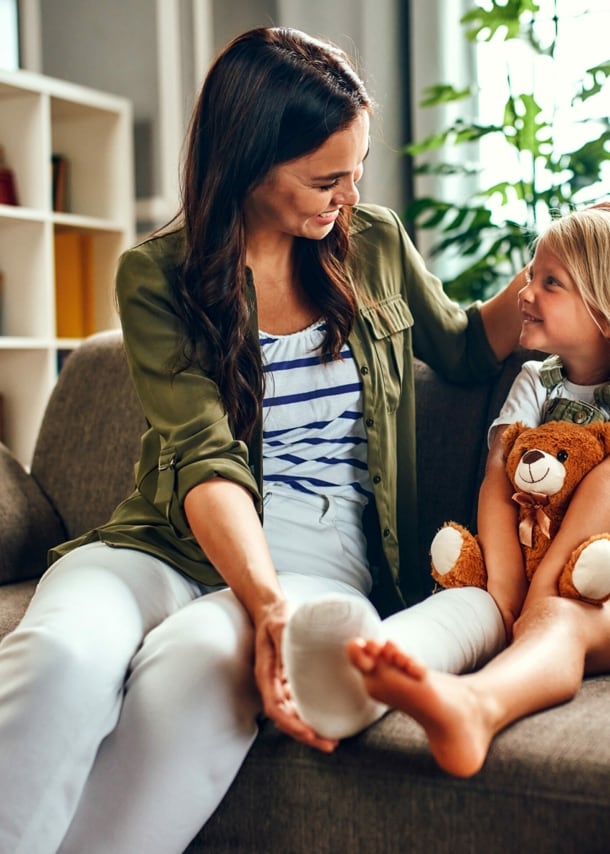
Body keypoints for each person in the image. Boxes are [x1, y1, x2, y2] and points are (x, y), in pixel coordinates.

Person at [0, 26, 524, 853]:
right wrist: (264, 602)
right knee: (60, 656)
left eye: (355, 171)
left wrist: (556, 268)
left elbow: (461, 344)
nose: (348, 195)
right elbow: (203, 451)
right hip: (168, 539)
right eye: (325, 179)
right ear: (246, 163)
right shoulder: (158, 277)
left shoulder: (376, 243)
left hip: (323, 560)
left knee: (198, 675)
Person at [346, 203, 610, 778]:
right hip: (557, 594)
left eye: (550, 283)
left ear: (603, 309)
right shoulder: (534, 381)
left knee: (562, 596)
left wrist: (541, 593)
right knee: (551, 623)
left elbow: (603, 494)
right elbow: (498, 479)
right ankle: (466, 703)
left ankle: (481, 686)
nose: (526, 292)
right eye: (530, 274)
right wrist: (506, 589)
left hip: (594, 579)